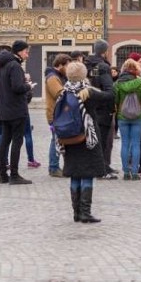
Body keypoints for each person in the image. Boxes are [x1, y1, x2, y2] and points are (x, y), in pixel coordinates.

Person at [60, 61, 107, 223]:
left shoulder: (64, 91)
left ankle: (76, 212)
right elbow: (109, 96)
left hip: (69, 138)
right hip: (87, 138)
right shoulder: (88, 93)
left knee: (75, 174)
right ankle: (85, 213)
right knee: (87, 173)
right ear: (84, 74)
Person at [0, 40, 34, 185]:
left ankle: (2, 175)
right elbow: (17, 87)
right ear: (19, 51)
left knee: (5, 141)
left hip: (4, 109)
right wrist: (28, 85)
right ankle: (14, 174)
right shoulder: (14, 65)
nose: (27, 55)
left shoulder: (1, 65)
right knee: (17, 141)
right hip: (16, 109)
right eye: (26, 51)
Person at [84, 39, 117, 178]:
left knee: (96, 139)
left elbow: (93, 84)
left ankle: (104, 166)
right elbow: (108, 90)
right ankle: (101, 169)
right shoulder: (102, 66)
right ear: (105, 51)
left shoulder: (88, 65)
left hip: (91, 107)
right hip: (103, 108)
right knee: (102, 140)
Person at [114, 59, 141, 180]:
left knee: (125, 143)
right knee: (136, 144)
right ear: (136, 69)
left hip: (122, 117)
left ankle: (125, 172)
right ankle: (135, 172)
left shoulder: (118, 83)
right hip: (137, 117)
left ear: (123, 69)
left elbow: (116, 100)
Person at [44, 53, 71, 177]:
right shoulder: (53, 77)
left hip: (60, 113)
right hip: (56, 114)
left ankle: (59, 166)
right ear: (60, 65)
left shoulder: (59, 76)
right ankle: (53, 167)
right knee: (56, 140)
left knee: (60, 140)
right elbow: (59, 94)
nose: (69, 68)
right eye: (67, 66)